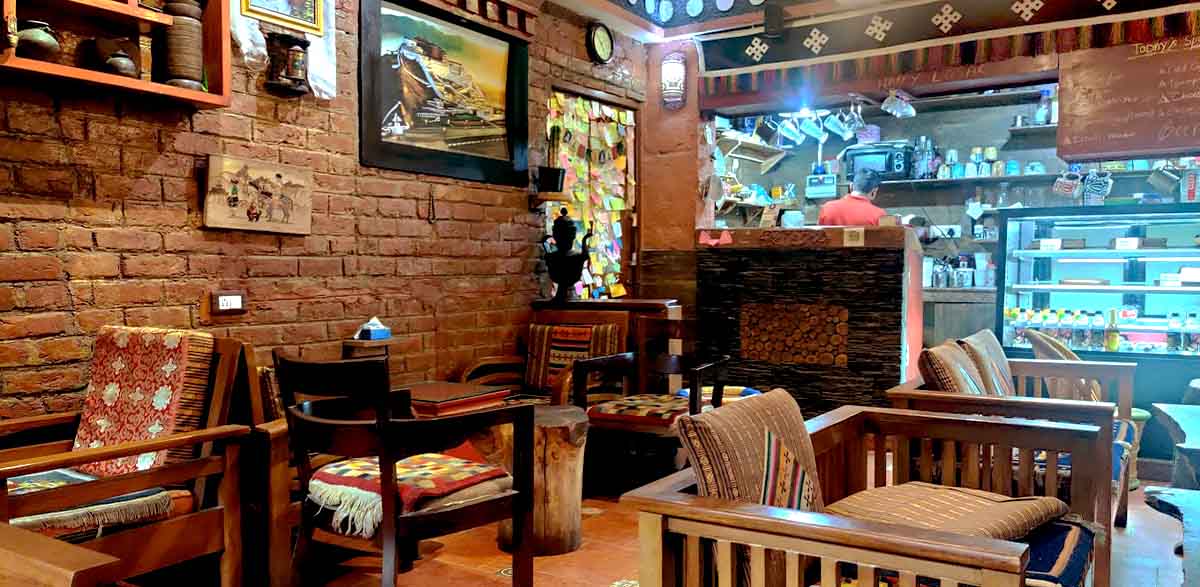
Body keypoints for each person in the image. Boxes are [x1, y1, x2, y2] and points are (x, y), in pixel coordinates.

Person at [819, 169, 887, 226]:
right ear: (874, 192)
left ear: (851, 186)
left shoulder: (827, 208)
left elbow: (819, 236)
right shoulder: (880, 215)